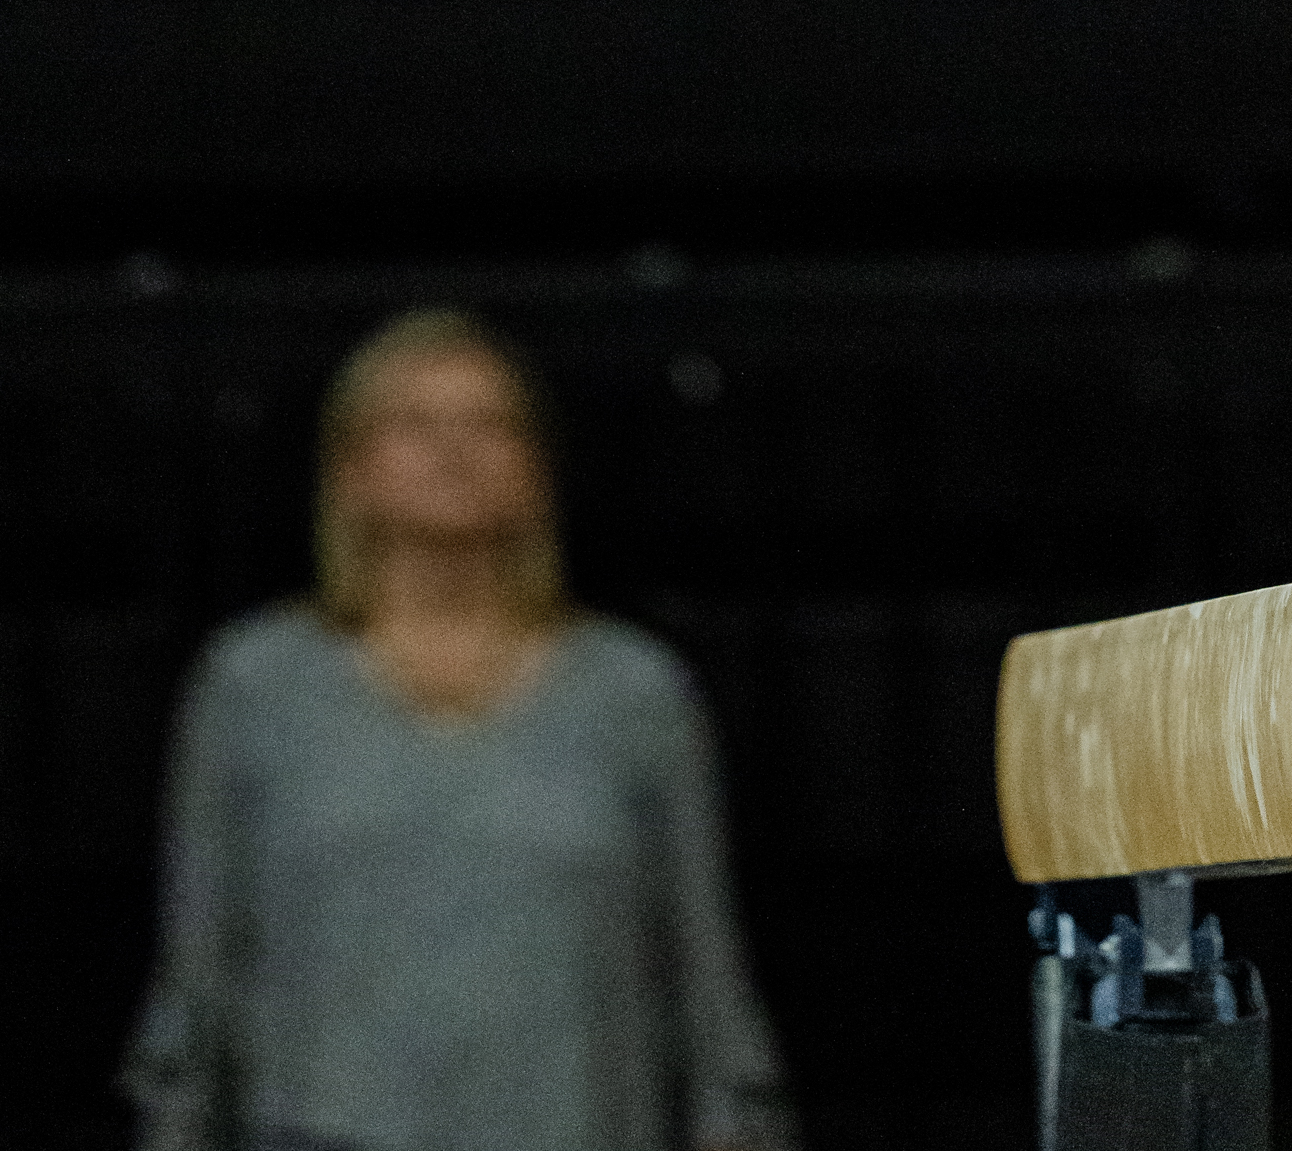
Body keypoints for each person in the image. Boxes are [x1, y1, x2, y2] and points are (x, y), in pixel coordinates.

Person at [124, 309, 793, 1151]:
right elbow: (198, 978)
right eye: (414, 424)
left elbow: (704, 980)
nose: (453, 451)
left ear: (537, 465)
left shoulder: (629, 693)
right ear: (350, 465)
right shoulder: (258, 687)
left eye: (488, 424)